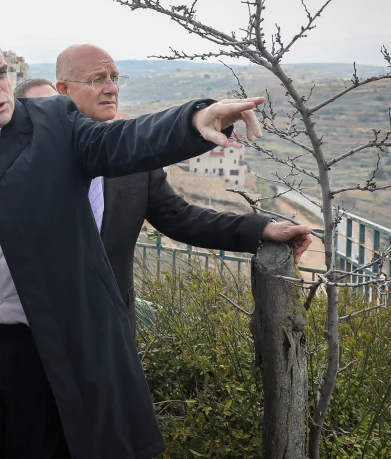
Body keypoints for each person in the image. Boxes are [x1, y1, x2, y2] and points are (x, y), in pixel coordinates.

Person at [0, 28, 265, 459]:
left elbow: (124, 140)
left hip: (45, 353)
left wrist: (194, 120)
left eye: (0, 73)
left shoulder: (55, 125)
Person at [55, 43, 313, 337]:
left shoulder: (135, 163)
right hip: (43, 330)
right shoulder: (38, 158)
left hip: (111, 330)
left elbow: (181, 218)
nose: (111, 88)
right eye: (97, 79)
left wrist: (262, 229)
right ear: (63, 89)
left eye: (115, 78)